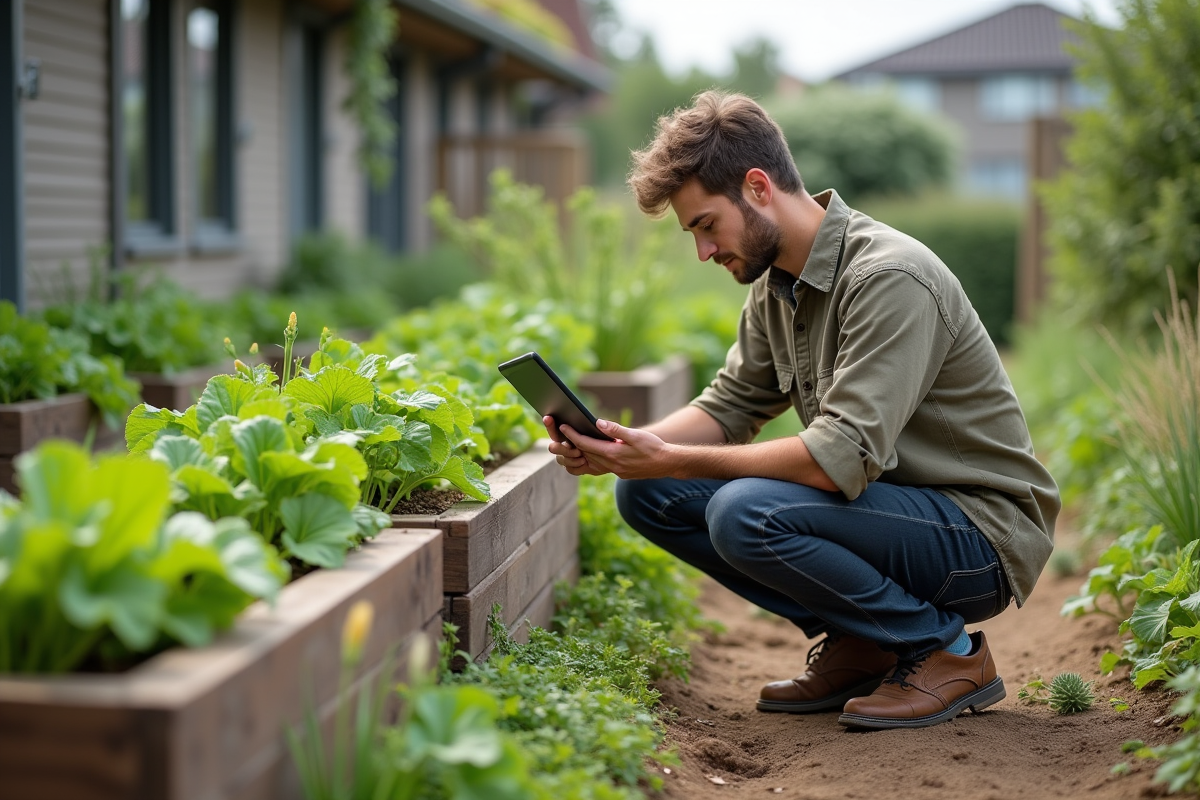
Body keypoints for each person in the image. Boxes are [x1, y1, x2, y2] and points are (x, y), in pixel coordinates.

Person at [543, 90, 1060, 731]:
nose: (703, 252)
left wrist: (674, 459)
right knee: (649, 495)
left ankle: (946, 651)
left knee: (743, 511)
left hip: (975, 536)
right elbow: (731, 404)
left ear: (758, 187)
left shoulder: (889, 277)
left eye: (706, 225)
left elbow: (835, 458)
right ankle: (865, 640)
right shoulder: (774, 287)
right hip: (891, 519)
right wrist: (626, 446)